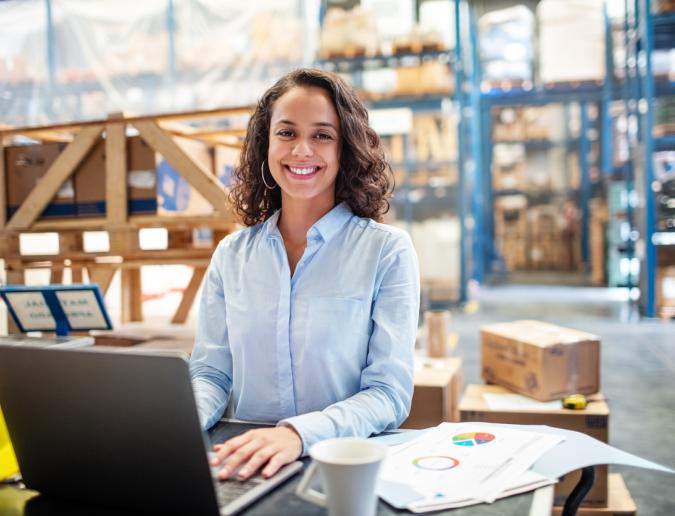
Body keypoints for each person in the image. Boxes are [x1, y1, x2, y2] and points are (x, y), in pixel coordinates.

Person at [189, 68, 420, 482]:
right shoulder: (232, 255)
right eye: (287, 133)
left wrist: (298, 434)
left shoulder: (386, 251)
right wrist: (181, 419)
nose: (302, 150)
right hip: (244, 463)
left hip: (342, 468)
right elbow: (211, 372)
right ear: (265, 145)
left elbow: (389, 394)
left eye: (322, 135)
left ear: (344, 149)